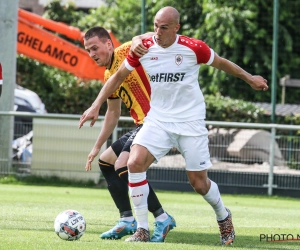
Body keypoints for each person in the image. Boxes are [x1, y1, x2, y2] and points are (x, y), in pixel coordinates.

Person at [79, 7, 268, 245]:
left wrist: (250, 78)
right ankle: (142, 229)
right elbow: (116, 77)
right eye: (156, 26)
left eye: (164, 27)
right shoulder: (144, 48)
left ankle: (223, 216)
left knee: (198, 183)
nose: (157, 32)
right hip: (158, 120)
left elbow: (221, 63)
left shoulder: (193, 48)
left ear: (176, 28)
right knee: (133, 163)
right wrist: (96, 105)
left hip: (190, 123)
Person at [82, 26, 176, 242]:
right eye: (88, 50)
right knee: (106, 162)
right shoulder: (108, 76)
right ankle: (127, 220)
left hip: (156, 122)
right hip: (141, 125)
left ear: (108, 43)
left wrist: (136, 38)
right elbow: (113, 113)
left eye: (95, 48)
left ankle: (162, 217)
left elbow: (154, 36)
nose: (92, 54)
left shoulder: (127, 51)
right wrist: (96, 147)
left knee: (123, 165)